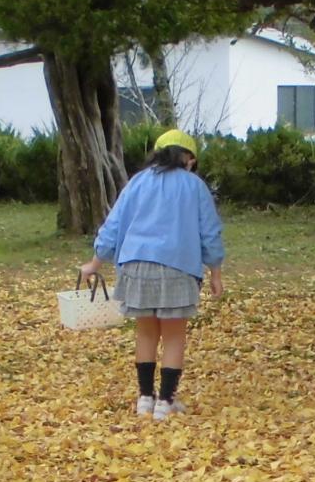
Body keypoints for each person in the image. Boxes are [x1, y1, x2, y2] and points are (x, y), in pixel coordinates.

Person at [78, 128, 225, 420]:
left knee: (145, 332)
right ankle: (166, 402)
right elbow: (210, 232)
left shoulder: (137, 182)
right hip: (177, 266)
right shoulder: (194, 186)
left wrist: (95, 263)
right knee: (173, 336)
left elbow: (114, 224)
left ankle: (145, 398)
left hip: (136, 265)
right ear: (188, 158)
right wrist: (215, 272)